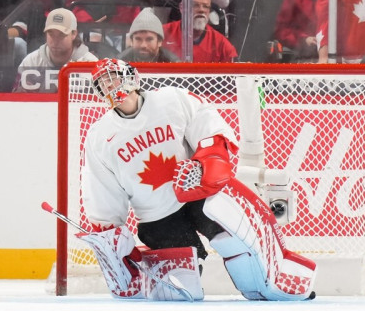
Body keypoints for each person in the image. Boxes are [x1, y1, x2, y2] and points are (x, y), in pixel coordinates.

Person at [79, 57, 315, 301]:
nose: (113, 86)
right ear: (100, 92)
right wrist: (111, 235)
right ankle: (157, 271)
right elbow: (102, 190)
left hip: (199, 195)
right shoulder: (99, 137)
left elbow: (209, 128)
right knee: (180, 291)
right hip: (157, 216)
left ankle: (274, 284)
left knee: (237, 244)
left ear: (132, 76)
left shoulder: (171, 100)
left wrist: (210, 163)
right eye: (105, 83)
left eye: (115, 77)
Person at [14, 8, 97, 93]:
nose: (55, 40)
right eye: (51, 34)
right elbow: (13, 98)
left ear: (74, 34)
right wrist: (20, 93)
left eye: (62, 35)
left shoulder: (90, 64)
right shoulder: (31, 62)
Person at [162, 0, 238, 62]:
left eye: (205, 6)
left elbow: (233, 72)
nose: (201, 10)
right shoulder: (163, 33)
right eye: (195, 5)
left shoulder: (221, 45)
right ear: (182, 8)